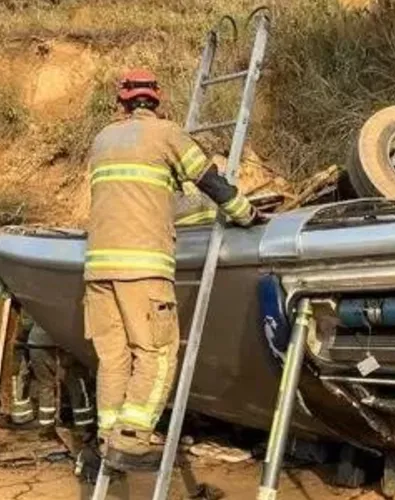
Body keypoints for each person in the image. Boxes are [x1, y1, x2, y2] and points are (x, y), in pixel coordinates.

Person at [83, 68, 262, 471]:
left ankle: (107, 437)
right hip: (143, 267)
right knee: (157, 353)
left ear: (121, 103)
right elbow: (209, 182)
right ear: (157, 100)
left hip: (97, 270)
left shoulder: (102, 141)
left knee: (113, 358)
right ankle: (131, 441)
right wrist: (245, 214)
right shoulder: (167, 134)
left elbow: (128, 196)